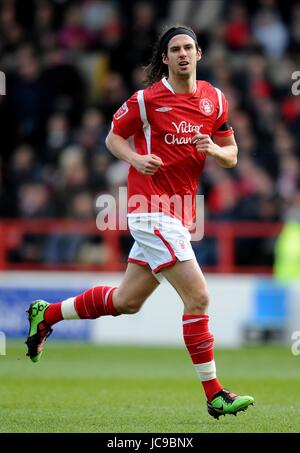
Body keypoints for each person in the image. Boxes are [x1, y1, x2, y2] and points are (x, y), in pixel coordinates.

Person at [25, 25, 254, 419]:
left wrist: (215, 149)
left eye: (189, 48)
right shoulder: (147, 100)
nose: (183, 54)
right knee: (198, 297)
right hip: (150, 210)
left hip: (181, 214)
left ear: (199, 53)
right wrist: (135, 159)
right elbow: (113, 137)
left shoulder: (215, 100)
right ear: (164, 59)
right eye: (175, 49)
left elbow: (232, 155)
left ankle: (48, 314)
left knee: (126, 301)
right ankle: (215, 394)